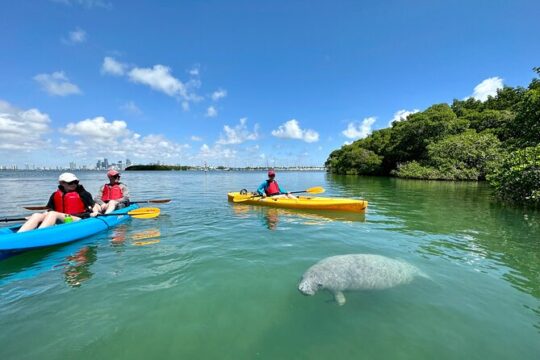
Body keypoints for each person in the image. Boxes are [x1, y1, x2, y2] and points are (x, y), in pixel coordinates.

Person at [18, 173, 97, 232]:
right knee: (36, 215)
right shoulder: (55, 195)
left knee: (53, 214)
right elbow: (50, 209)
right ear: (62, 183)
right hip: (62, 219)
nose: (74, 184)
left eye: (76, 182)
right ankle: (19, 236)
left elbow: (94, 205)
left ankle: (38, 234)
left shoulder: (83, 193)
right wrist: (38, 216)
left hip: (79, 220)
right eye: (70, 182)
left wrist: (95, 212)